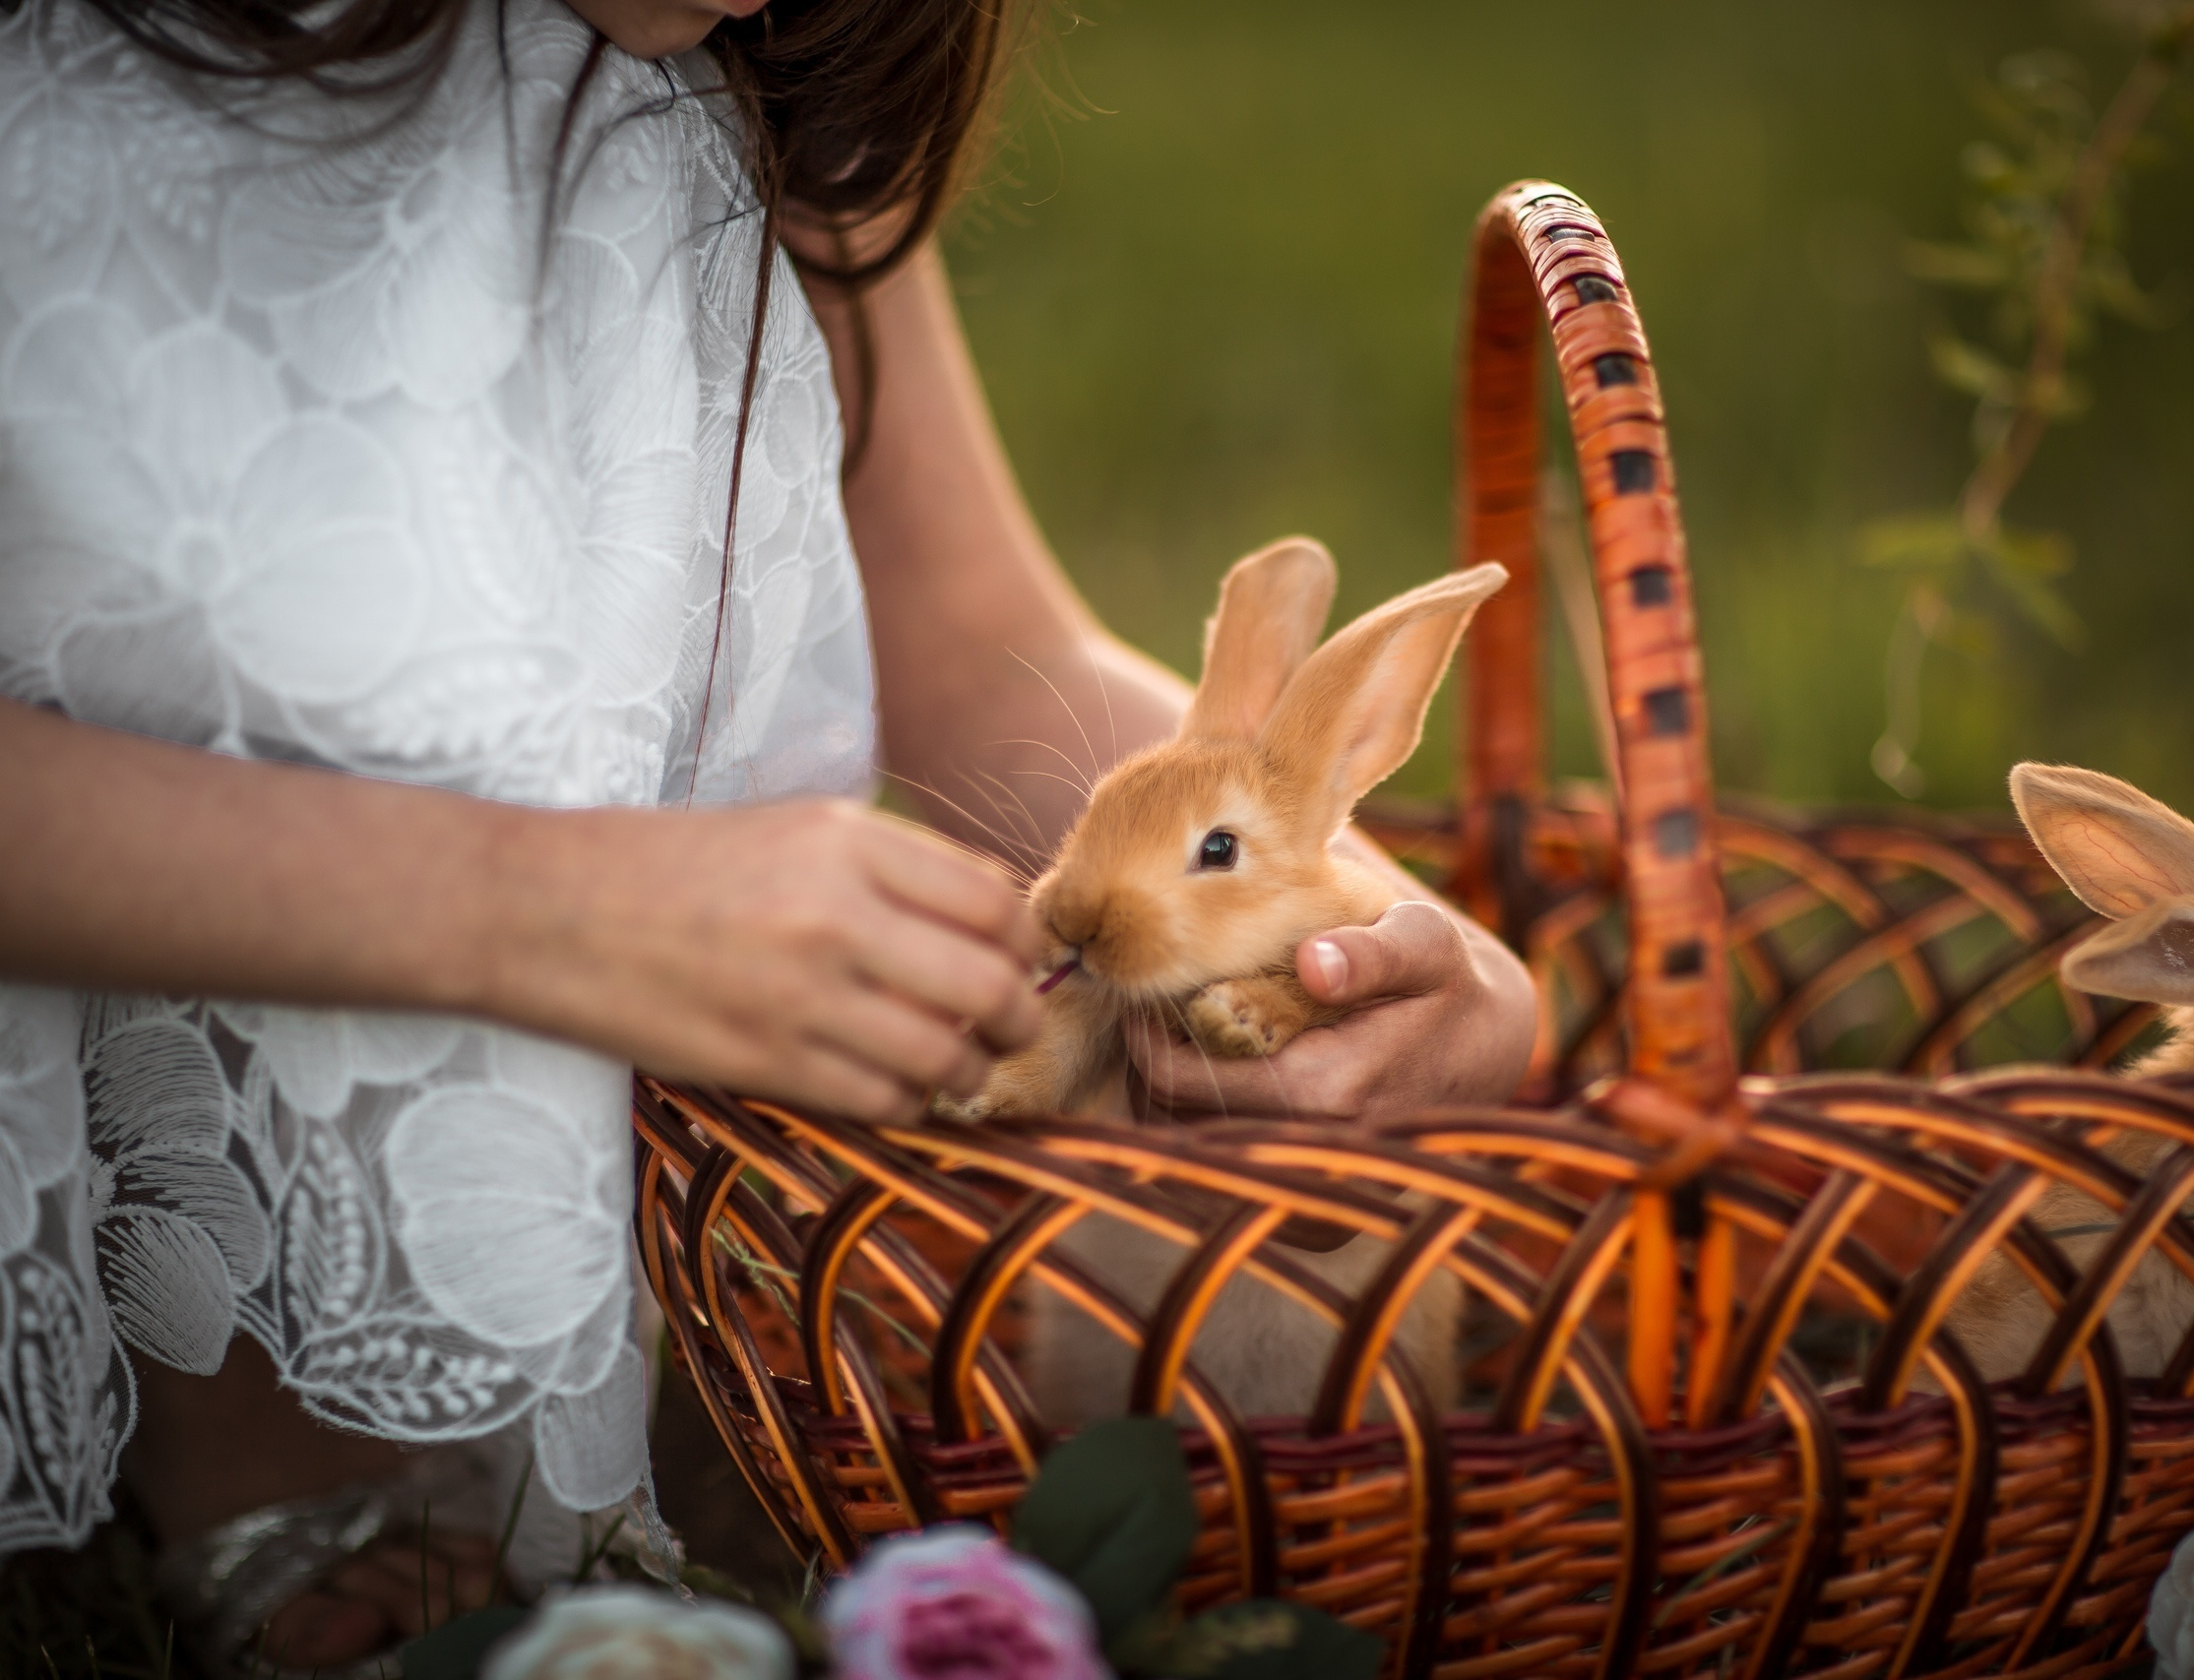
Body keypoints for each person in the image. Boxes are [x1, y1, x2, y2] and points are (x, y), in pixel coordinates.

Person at [0, 0, 1537, 1664]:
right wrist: (539, 908)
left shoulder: (780, 48)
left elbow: (968, 640)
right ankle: (219, 1428)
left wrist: (1379, 946)